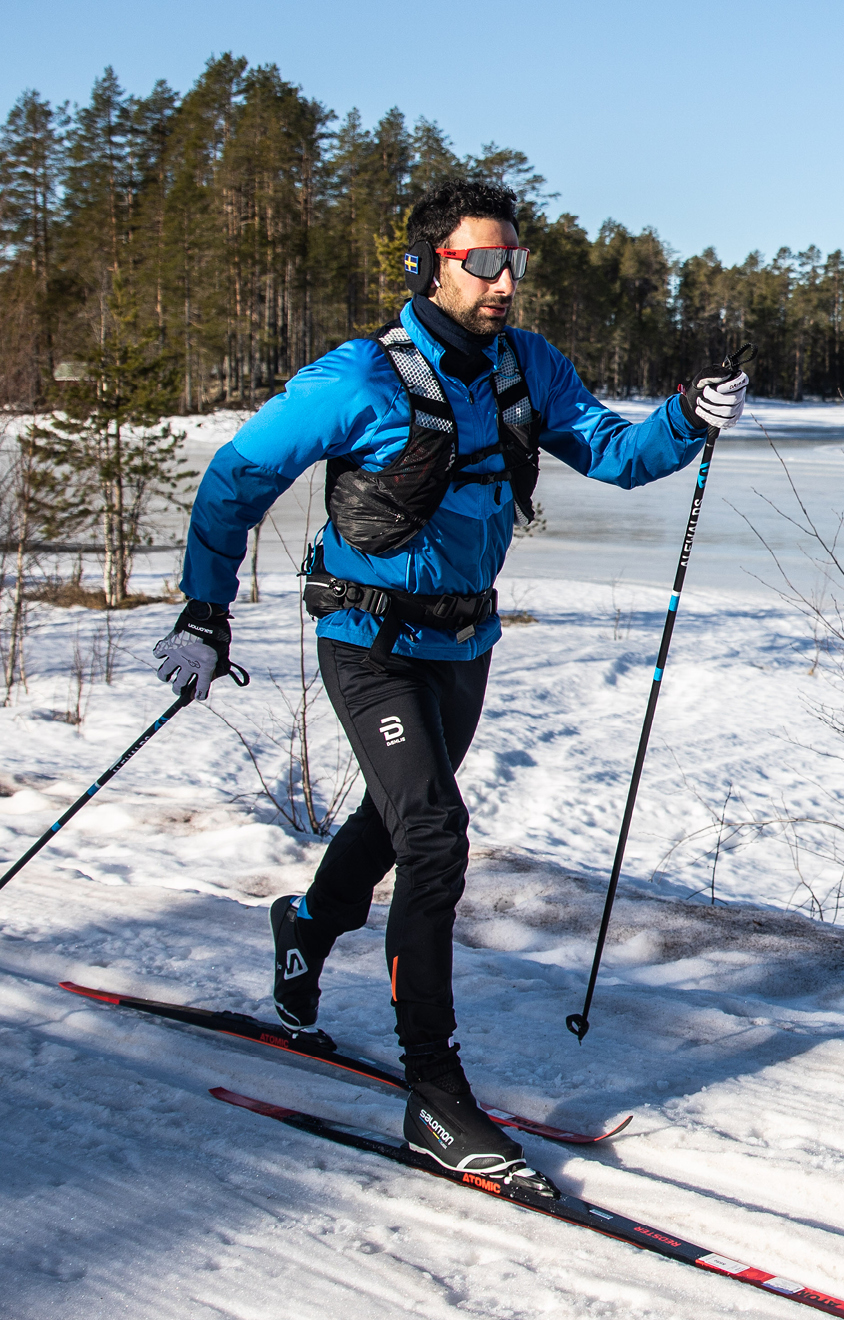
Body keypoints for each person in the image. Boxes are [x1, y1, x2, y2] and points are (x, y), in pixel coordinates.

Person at [151, 177, 747, 1198]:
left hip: (463, 643)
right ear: (435, 263)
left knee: (394, 825)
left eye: (513, 259)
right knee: (434, 833)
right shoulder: (357, 379)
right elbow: (236, 479)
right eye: (484, 261)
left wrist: (684, 420)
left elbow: (610, 453)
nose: (505, 278)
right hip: (367, 638)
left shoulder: (528, 368)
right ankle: (433, 1091)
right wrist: (206, 611)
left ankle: (305, 926)